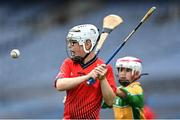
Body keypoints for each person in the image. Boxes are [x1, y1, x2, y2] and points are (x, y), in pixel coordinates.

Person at [54, 24, 116, 119]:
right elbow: (59, 85)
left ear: (87, 44)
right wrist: (87, 77)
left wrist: (103, 79)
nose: (70, 47)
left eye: (74, 42)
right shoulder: (69, 63)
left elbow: (110, 102)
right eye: (69, 43)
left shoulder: (104, 68)